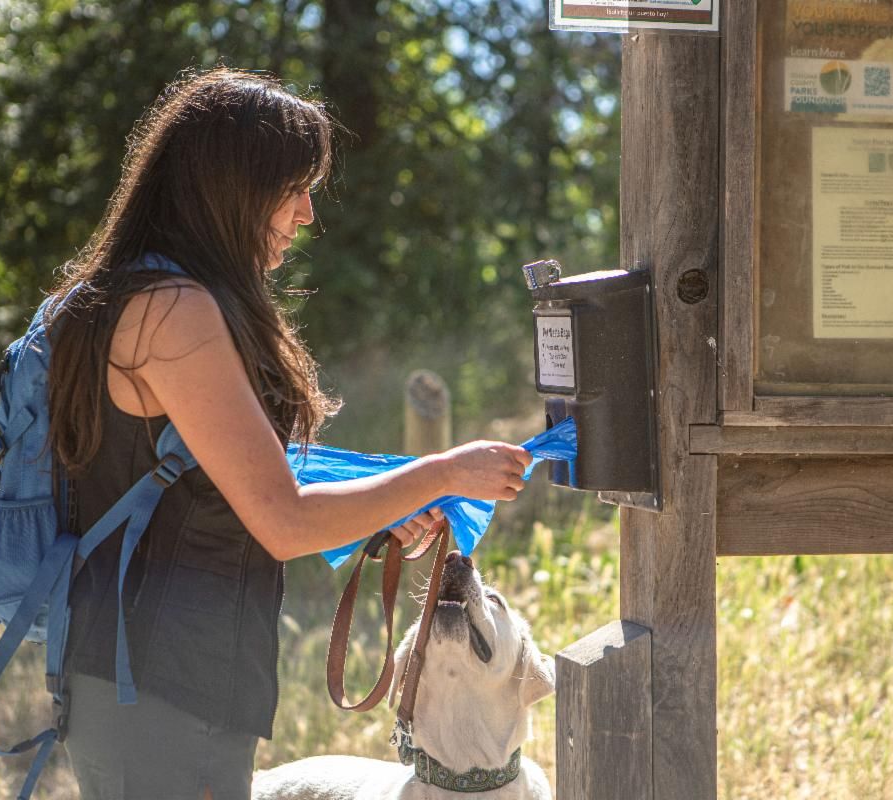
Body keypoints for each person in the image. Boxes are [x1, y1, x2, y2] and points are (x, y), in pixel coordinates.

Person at [43, 67, 531, 800]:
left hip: (149, 681)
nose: (305, 213)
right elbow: (280, 520)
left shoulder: (132, 295)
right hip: (160, 690)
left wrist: (384, 505)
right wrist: (443, 473)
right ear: (229, 185)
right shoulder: (173, 311)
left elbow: (227, 484)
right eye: (292, 186)